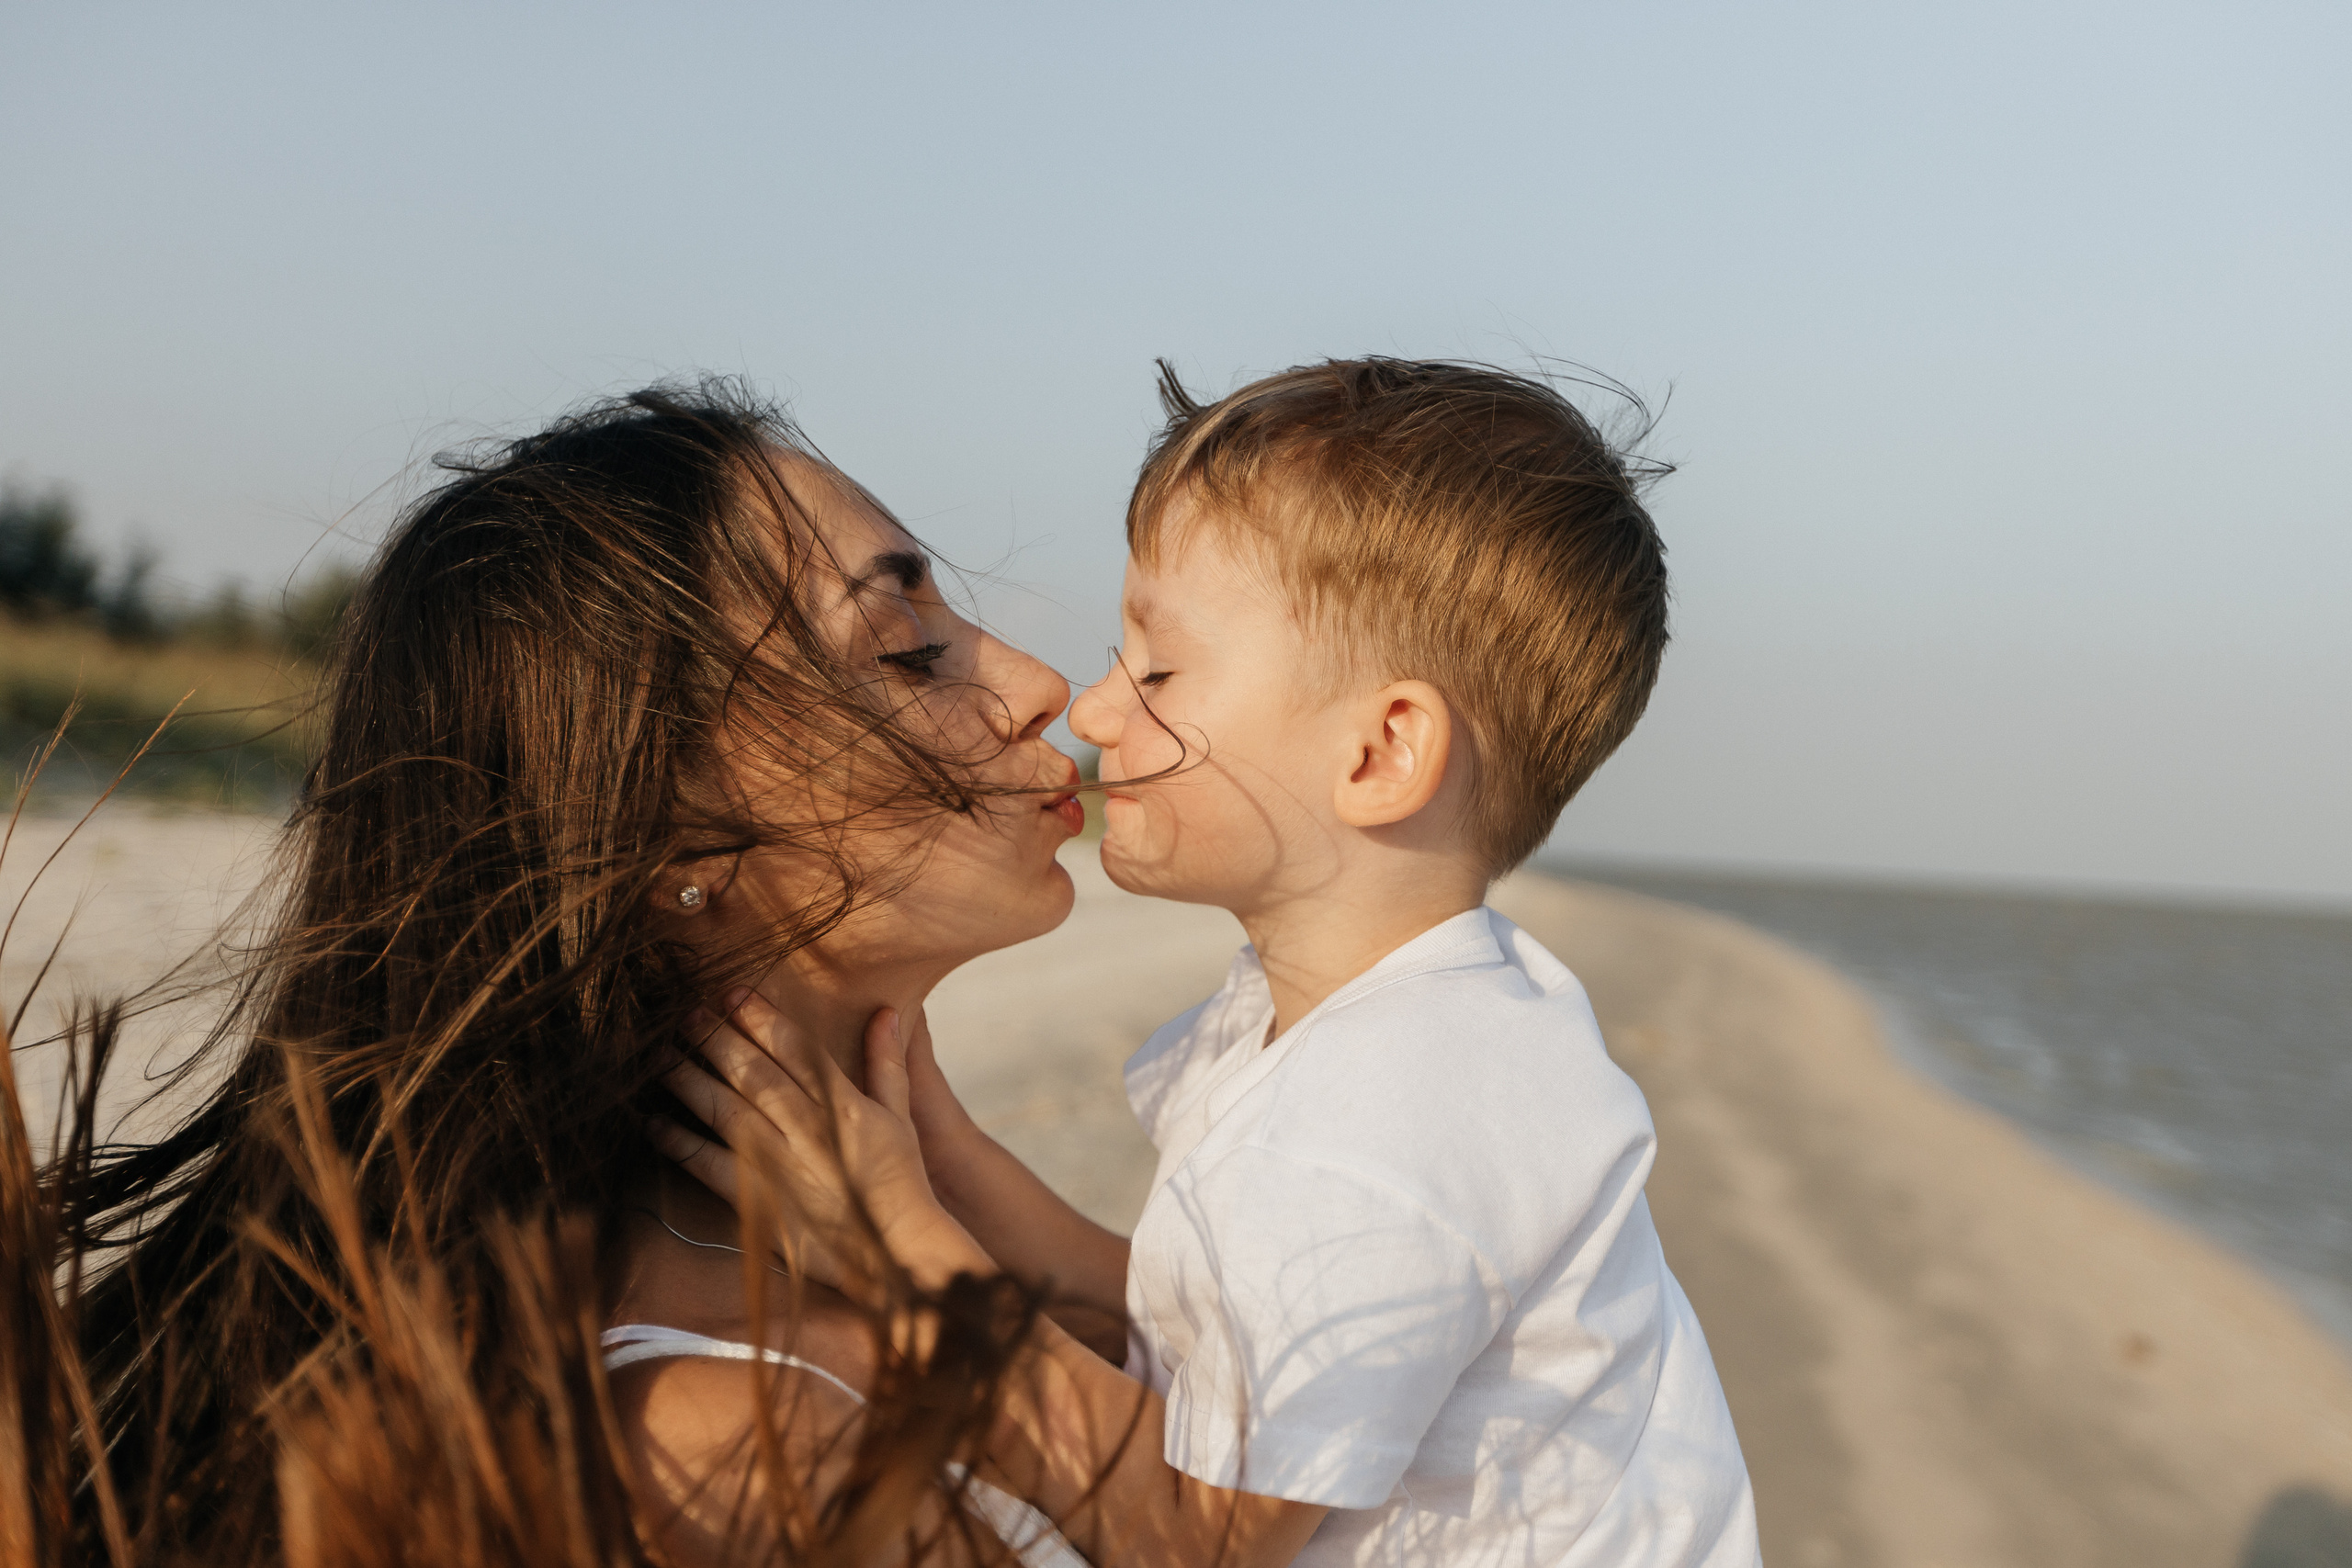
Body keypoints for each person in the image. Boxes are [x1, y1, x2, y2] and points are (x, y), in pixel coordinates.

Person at [665, 358, 1763, 1566]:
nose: (1091, 709)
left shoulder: (1381, 1117)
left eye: (1161, 670)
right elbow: (1185, 1322)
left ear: (1379, 752)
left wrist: (892, 1242)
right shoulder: (1410, 1032)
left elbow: (1199, 1537)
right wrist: (950, 1172)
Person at [13, 380, 1095, 1566]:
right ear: (667, 833)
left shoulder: (935, 1257)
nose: (1045, 686)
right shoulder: (736, 1449)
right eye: (910, 652)